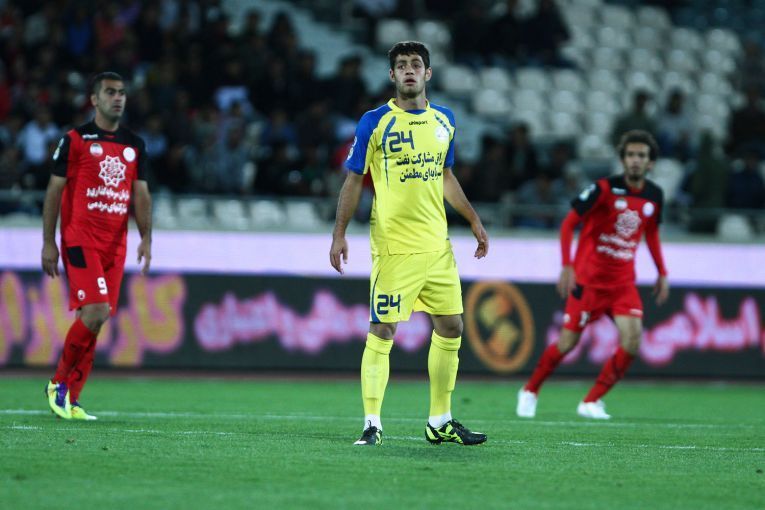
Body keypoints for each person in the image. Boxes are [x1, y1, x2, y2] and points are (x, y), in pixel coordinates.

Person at [330, 41, 489, 446]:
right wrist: (339, 233)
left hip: (438, 247)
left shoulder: (445, 120)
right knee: (382, 330)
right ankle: (372, 423)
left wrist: (472, 219)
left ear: (428, 73)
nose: (409, 70)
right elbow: (354, 179)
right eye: (401, 65)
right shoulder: (375, 122)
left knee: (451, 325)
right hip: (395, 248)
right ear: (392, 75)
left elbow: (446, 176)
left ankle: (440, 420)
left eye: (416, 64)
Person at [517, 130, 669, 420]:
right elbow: (568, 224)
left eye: (641, 155)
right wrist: (567, 265)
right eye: (631, 155)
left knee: (632, 340)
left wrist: (662, 272)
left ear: (650, 163)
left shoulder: (654, 195)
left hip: (623, 284)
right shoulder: (603, 189)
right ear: (623, 159)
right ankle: (530, 389)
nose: (635, 160)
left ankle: (591, 401)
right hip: (589, 282)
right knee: (567, 343)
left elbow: (650, 233)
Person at [41, 72, 152, 420]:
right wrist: (48, 242)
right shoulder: (75, 140)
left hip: (115, 246)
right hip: (80, 239)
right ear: (94, 99)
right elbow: (54, 191)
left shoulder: (135, 144)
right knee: (96, 311)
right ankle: (57, 383)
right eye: (110, 92)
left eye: (122, 93)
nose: (118, 98)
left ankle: (72, 399)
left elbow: (141, 194)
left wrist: (146, 237)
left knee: (94, 320)